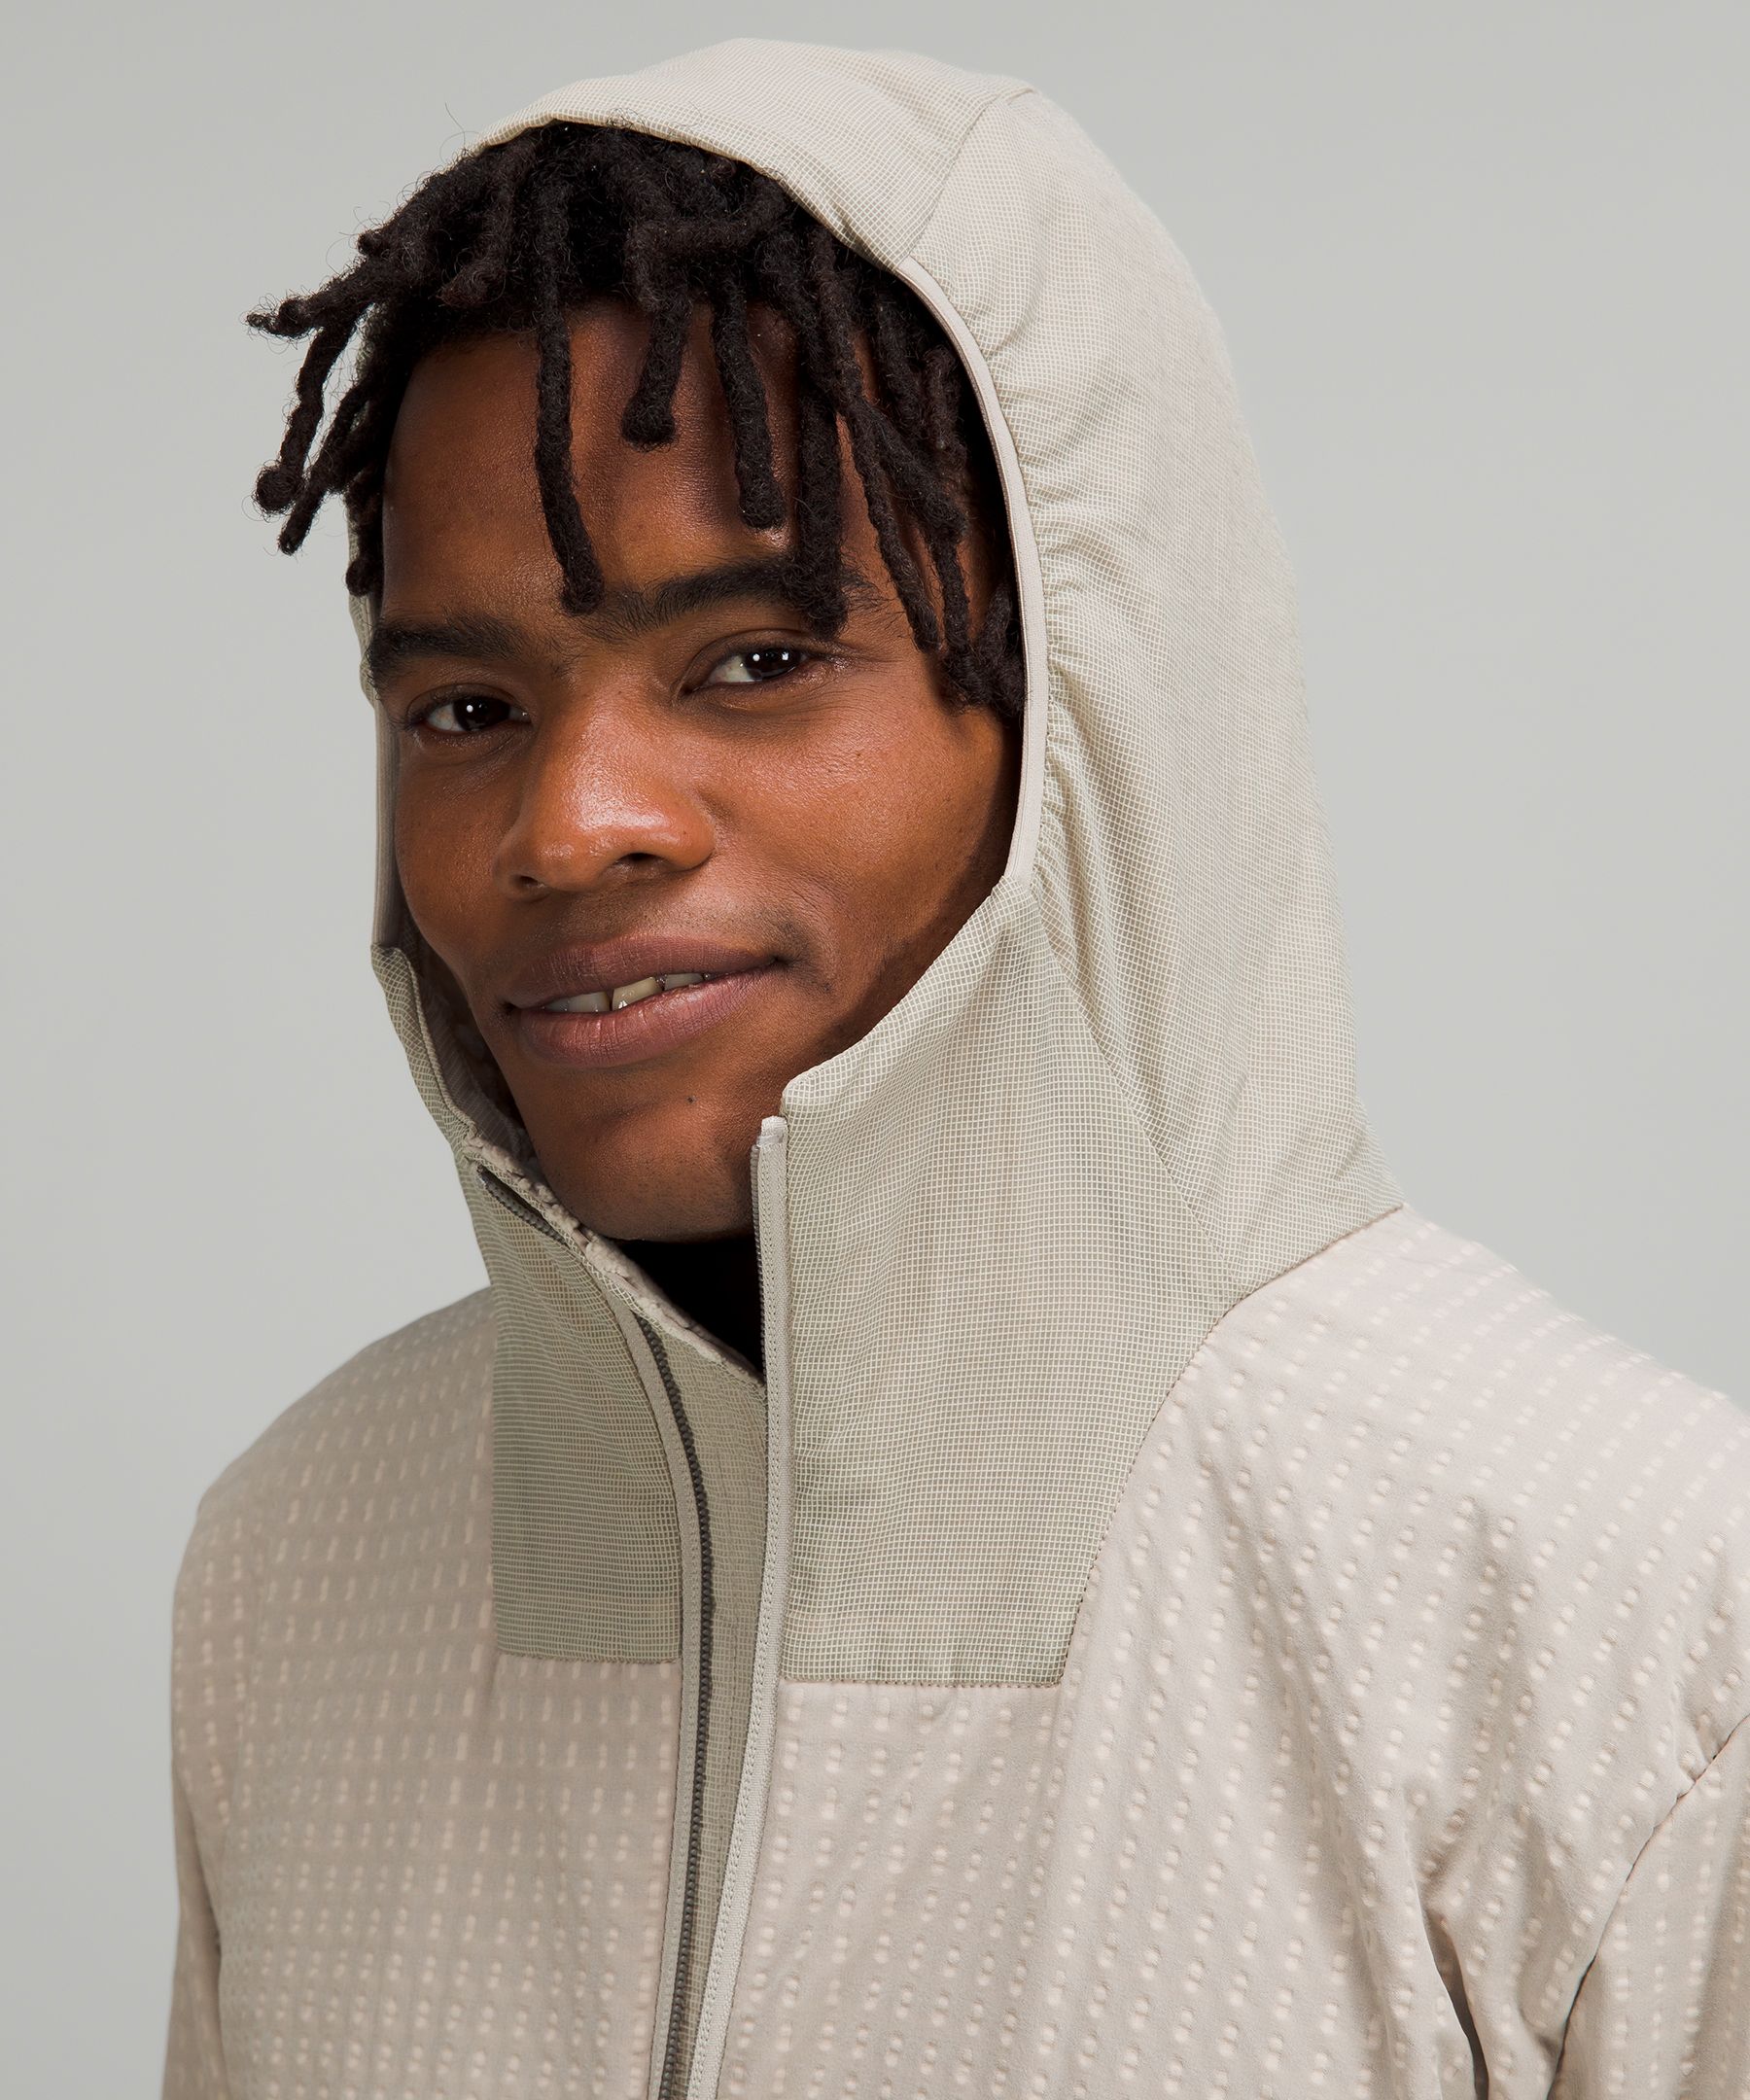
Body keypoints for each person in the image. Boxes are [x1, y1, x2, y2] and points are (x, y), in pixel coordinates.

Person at [162, 37, 1750, 2099]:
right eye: (465, 708)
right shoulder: (297, 1565)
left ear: (1088, 706)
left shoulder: (1634, 1623)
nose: (571, 825)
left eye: (756, 662)